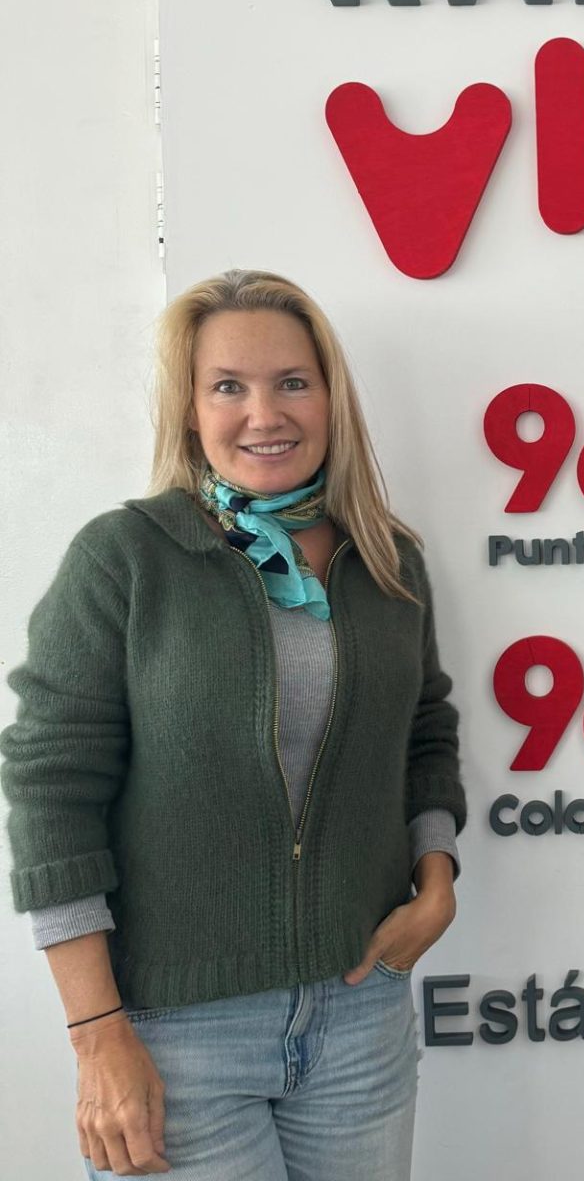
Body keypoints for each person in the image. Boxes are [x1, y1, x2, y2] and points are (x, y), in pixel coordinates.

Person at [2, 269, 465, 1180]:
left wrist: (437, 879)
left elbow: (425, 729)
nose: (265, 414)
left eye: (293, 381)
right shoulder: (125, 560)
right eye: (228, 387)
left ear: (330, 398)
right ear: (189, 411)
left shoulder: (386, 559)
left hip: (359, 1016)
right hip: (172, 1035)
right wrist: (96, 1033)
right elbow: (50, 789)